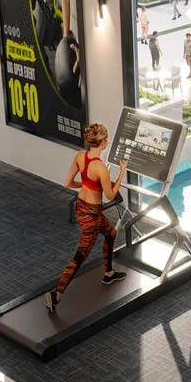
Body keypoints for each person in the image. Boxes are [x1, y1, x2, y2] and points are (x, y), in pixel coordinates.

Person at [46, 124, 128, 313]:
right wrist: (121, 173)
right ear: (104, 143)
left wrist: (88, 184)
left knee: (111, 233)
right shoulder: (101, 168)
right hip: (92, 215)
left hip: (81, 207)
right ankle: (56, 295)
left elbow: (68, 183)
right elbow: (110, 195)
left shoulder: (80, 156)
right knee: (80, 256)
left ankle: (108, 273)